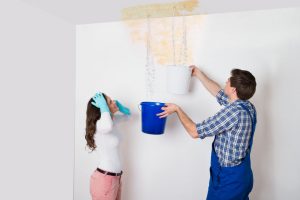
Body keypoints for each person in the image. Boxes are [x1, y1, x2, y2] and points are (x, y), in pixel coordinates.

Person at [158, 66, 257, 200]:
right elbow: (218, 93)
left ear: (234, 90)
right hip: (242, 176)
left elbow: (194, 132)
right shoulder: (247, 107)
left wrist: (177, 109)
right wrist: (199, 74)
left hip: (229, 182)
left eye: (229, 80)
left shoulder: (233, 113)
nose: (226, 80)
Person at [85, 92, 131, 200]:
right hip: (104, 180)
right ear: (102, 107)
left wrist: (121, 108)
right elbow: (108, 125)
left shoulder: (110, 122)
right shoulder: (100, 125)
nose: (114, 102)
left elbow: (128, 117)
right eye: (110, 102)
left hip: (115, 179)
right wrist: (104, 107)